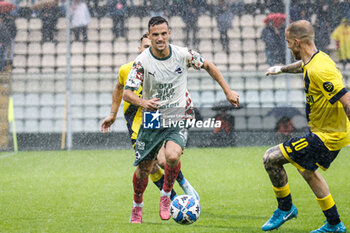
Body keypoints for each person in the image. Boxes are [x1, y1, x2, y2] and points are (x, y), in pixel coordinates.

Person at [123, 16, 239, 223]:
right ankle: (137, 204)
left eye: (163, 33)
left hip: (178, 112)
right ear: (149, 36)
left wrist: (228, 91)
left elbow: (208, 66)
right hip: (153, 116)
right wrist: (144, 103)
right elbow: (127, 93)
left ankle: (166, 196)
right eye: (155, 34)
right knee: (144, 169)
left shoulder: (182, 54)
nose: (160, 38)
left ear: (169, 33)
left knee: (173, 156)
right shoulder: (142, 62)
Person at [100, 32, 200, 223]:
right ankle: (161, 200)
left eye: (151, 46)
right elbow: (119, 89)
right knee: (151, 166)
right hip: (139, 123)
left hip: (163, 116)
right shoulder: (129, 68)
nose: (150, 50)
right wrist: (112, 114)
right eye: (146, 47)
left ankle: (179, 188)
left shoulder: (167, 63)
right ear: (140, 49)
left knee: (166, 160)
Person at [262, 20, 349, 232]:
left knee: (271, 159)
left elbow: (347, 101)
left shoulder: (321, 70)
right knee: (308, 172)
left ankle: (286, 208)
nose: (288, 47)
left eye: (288, 43)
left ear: (297, 42)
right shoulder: (316, 59)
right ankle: (334, 224)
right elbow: (303, 65)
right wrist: (280, 69)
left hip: (327, 136)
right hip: (325, 132)